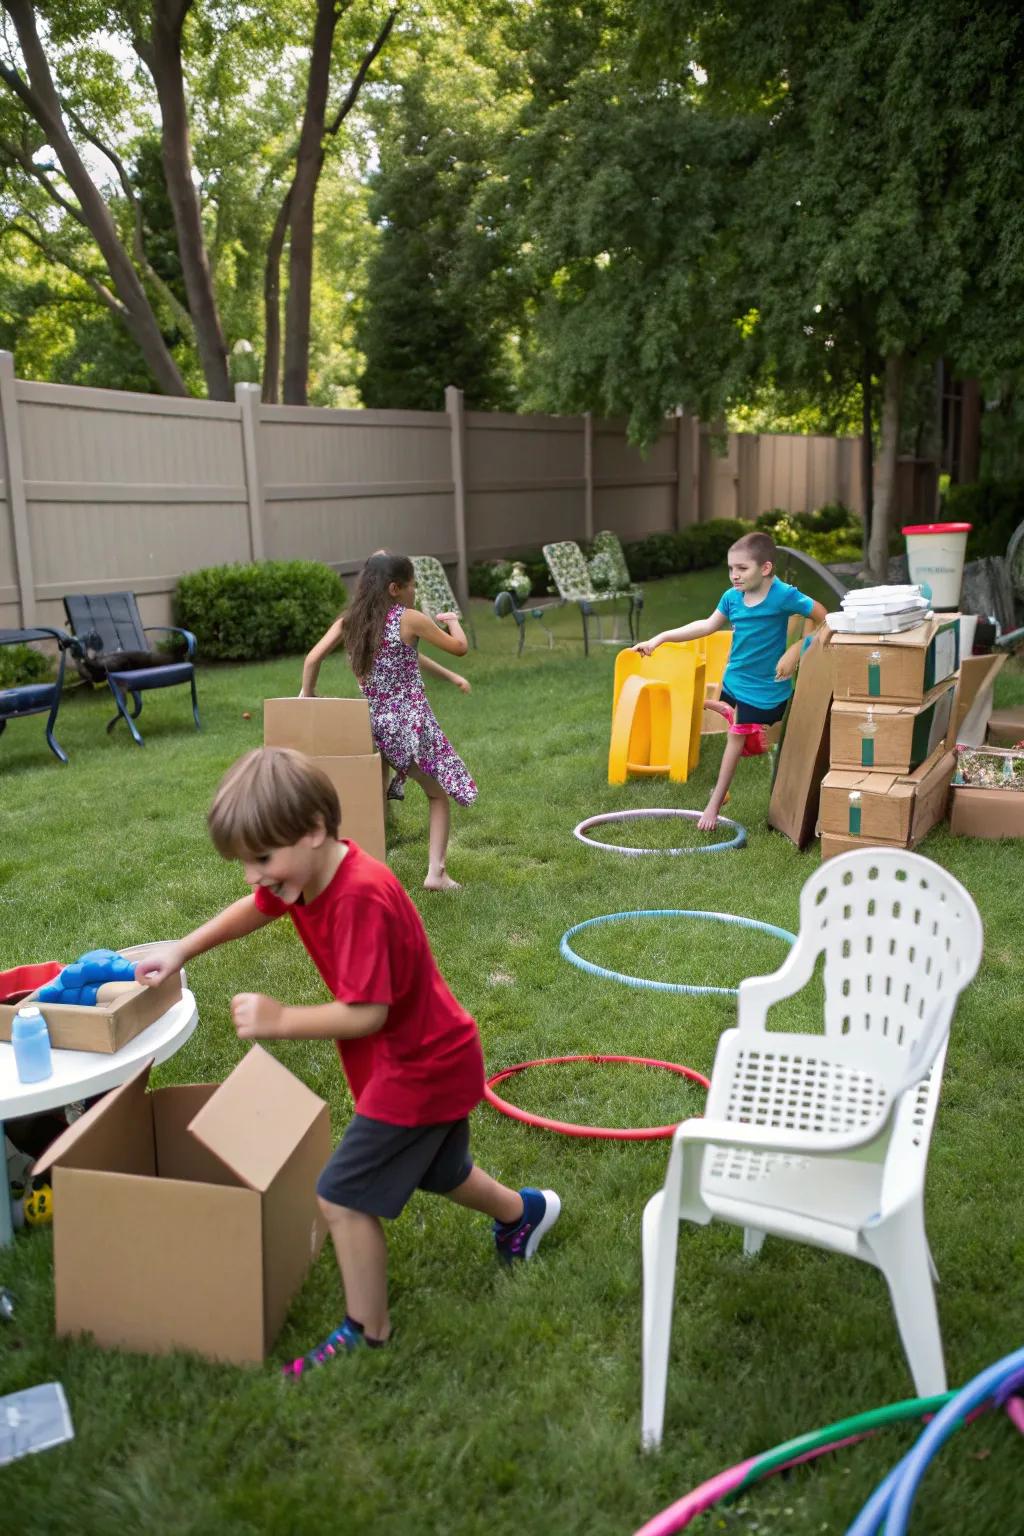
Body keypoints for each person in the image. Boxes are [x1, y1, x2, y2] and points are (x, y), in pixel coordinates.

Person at [134, 747, 560, 1377]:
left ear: (310, 830)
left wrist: (282, 1020)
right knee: (440, 1170)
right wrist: (183, 949)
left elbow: (368, 1013)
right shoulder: (308, 873)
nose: (253, 876)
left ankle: (369, 1331)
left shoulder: (360, 896)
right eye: (244, 861)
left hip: (419, 1067)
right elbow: (258, 907)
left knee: (340, 1196)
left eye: (261, 858)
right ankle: (524, 1214)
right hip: (421, 1058)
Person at [301, 552, 475, 891]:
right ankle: (436, 874)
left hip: (367, 724)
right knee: (437, 795)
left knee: (373, 799)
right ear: (395, 588)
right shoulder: (410, 618)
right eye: (412, 586)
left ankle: (366, 871)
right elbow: (459, 647)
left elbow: (312, 659)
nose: (415, 592)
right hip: (408, 725)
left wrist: (307, 697)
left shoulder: (352, 621)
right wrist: (452, 620)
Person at [634, 531, 828, 829]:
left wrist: (796, 651)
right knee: (736, 726)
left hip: (765, 690)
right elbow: (707, 625)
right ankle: (729, 712)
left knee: (737, 739)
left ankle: (712, 805)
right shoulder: (732, 597)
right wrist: (659, 639)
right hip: (735, 680)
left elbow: (824, 619)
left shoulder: (784, 595)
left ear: (765, 568)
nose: (734, 576)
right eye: (730, 569)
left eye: (742, 569)